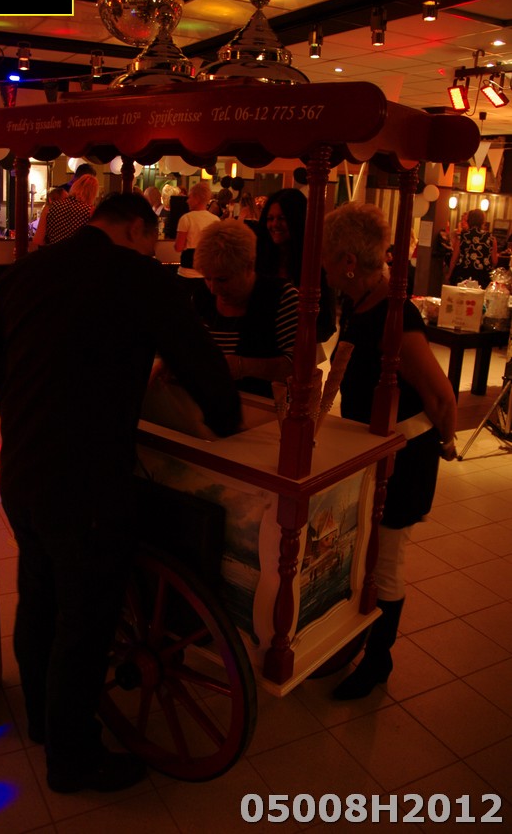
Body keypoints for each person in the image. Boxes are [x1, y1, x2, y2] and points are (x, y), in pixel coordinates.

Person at [0, 191, 241, 795]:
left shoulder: (23, 273)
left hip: (20, 468)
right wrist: (227, 421)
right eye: (152, 242)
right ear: (137, 230)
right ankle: (73, 759)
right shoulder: (139, 277)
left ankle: (44, 719)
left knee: (40, 593)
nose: (152, 251)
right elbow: (200, 362)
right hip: (88, 482)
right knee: (86, 617)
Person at [321, 202, 457, 700]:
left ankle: (379, 659)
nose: (323, 268)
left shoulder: (396, 315)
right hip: (376, 450)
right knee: (368, 554)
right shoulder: (362, 304)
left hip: (404, 455)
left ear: (348, 262)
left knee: (387, 561)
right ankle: (360, 641)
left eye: (327, 259)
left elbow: (441, 396)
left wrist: (447, 441)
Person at [192, 218, 301, 398]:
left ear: (249, 266)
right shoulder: (202, 297)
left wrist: (243, 366)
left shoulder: (281, 297)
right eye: (207, 278)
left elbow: (299, 366)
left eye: (222, 279)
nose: (213, 289)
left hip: (265, 407)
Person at [256, 188, 337, 344]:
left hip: (301, 347)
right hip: (262, 345)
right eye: (270, 218)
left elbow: (327, 324)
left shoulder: (315, 262)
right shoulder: (260, 258)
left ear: (297, 220)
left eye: (282, 218)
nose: (274, 224)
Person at [33, 173, 99, 246]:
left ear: (75, 187)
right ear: (92, 195)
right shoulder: (91, 212)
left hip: (53, 252)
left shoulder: (50, 207)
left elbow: (38, 240)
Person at [174, 181, 216, 289]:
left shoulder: (186, 219)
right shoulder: (216, 220)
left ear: (197, 198)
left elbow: (178, 247)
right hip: (207, 273)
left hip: (187, 272)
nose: (187, 201)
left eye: (190, 197)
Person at [448, 207, 498, 288]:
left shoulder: (462, 236)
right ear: (483, 221)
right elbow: (494, 261)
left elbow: (454, 258)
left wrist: (449, 274)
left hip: (464, 274)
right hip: (483, 276)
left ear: (469, 221)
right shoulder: (491, 238)